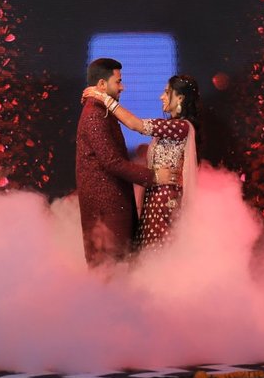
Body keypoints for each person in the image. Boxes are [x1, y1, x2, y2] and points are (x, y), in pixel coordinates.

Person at [83, 74, 200, 250]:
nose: (162, 96)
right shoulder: (170, 126)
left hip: (165, 202)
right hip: (155, 198)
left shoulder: (181, 127)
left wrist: (102, 97)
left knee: (160, 253)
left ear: (180, 98)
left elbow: (136, 125)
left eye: (167, 92)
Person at [75, 58, 173, 267]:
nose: (122, 87)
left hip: (113, 203)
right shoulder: (95, 115)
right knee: (111, 272)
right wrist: (154, 177)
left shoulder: (103, 112)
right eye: (118, 82)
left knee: (118, 271)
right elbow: (111, 162)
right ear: (102, 84)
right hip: (106, 207)